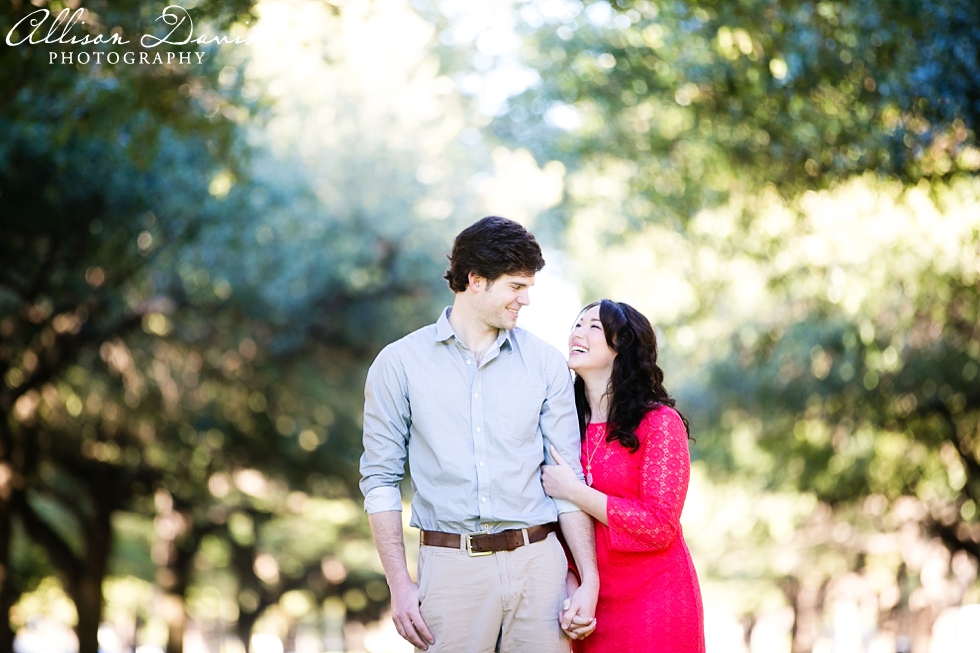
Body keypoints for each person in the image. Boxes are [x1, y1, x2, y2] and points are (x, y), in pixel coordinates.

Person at [359, 216, 599, 653]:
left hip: (539, 566)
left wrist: (587, 578)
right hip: (451, 569)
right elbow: (379, 481)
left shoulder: (546, 363)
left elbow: (568, 480)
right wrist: (399, 583)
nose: (526, 299)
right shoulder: (398, 364)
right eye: (516, 286)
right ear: (475, 281)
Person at [542, 299, 705, 652]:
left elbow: (659, 525)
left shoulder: (659, 423)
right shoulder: (563, 426)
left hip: (655, 601)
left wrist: (574, 491)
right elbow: (555, 523)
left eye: (593, 327)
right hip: (591, 602)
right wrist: (574, 584)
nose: (578, 333)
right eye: (577, 324)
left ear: (623, 347)